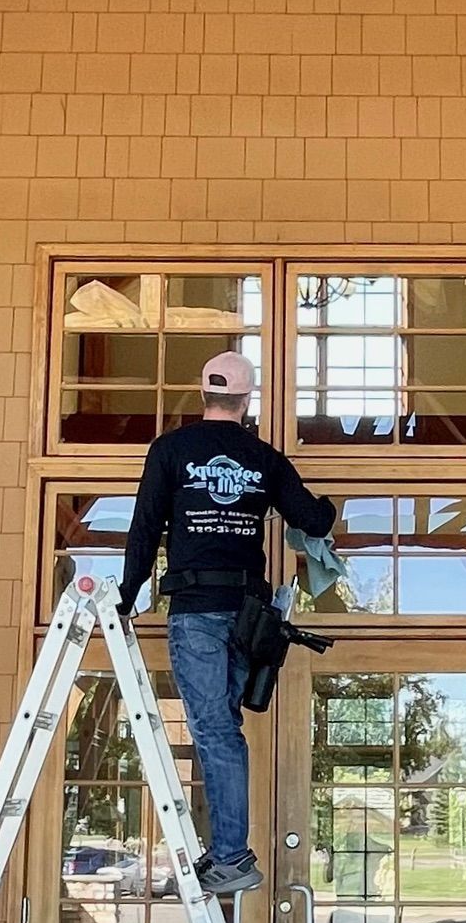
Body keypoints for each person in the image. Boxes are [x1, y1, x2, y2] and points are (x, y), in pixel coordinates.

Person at [117, 351, 335, 895]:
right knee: (224, 730)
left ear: (203, 394)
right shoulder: (263, 459)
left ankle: (233, 856)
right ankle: (231, 851)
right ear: (246, 400)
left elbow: (145, 529)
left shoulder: (170, 451)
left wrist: (127, 593)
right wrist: (329, 508)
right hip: (248, 615)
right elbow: (313, 519)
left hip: (196, 612)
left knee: (215, 731)